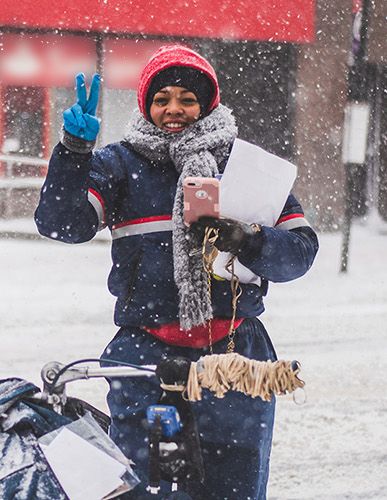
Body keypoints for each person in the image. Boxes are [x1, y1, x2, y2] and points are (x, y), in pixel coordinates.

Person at [34, 45, 318, 500]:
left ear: (206, 104)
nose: (174, 109)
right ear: (146, 103)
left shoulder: (245, 167)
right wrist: (73, 152)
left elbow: (300, 252)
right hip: (146, 355)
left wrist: (248, 238)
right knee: (151, 491)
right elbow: (61, 224)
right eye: (162, 97)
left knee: (233, 491)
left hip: (234, 355)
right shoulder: (118, 165)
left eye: (187, 98)